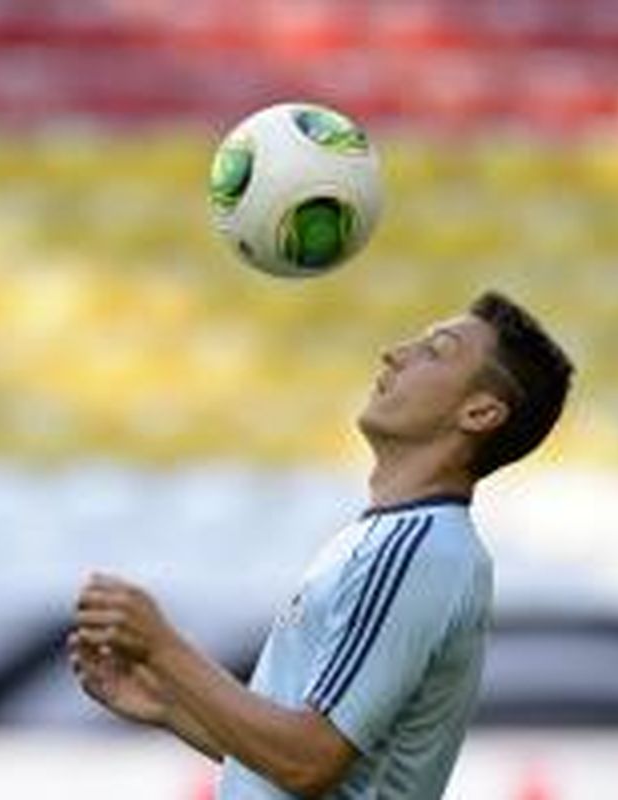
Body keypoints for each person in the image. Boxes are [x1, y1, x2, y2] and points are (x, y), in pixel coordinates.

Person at [68, 290, 574, 799]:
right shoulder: (385, 539)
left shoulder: (416, 551)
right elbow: (298, 760)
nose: (396, 353)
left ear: (480, 413)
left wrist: (164, 647)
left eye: (436, 350)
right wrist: (167, 704)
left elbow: (311, 762)